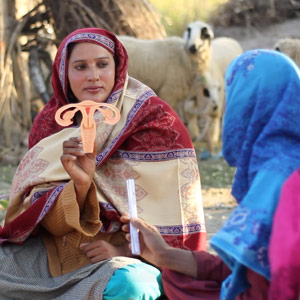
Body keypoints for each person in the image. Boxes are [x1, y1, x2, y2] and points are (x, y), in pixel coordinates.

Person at [0, 28, 206, 299]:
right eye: (80, 66)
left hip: (124, 259)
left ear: (118, 67)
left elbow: (176, 220)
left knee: (132, 285)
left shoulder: (155, 121)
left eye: (102, 64)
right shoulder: (50, 124)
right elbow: (41, 220)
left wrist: (123, 250)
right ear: (64, 72)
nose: (93, 75)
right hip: (56, 254)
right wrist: (81, 184)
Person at [122, 49, 300, 300]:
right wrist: (165, 255)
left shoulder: (279, 177)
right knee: (176, 278)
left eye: (231, 94)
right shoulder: (273, 168)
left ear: (249, 102)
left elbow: (273, 283)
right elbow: (245, 268)